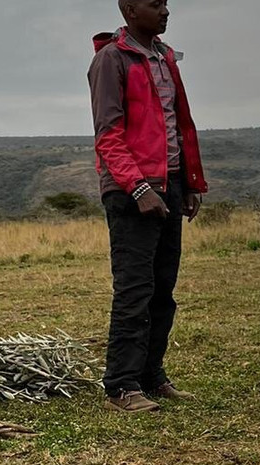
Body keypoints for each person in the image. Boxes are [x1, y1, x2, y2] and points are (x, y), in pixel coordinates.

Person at [89, 0, 208, 413]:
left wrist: (189, 184)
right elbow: (108, 134)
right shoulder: (111, 60)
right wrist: (139, 188)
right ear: (129, 9)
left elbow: (180, 125)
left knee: (163, 290)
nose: (165, 10)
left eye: (166, 3)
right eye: (155, 3)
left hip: (169, 187)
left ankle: (151, 375)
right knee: (135, 290)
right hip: (131, 192)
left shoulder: (164, 58)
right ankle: (121, 385)